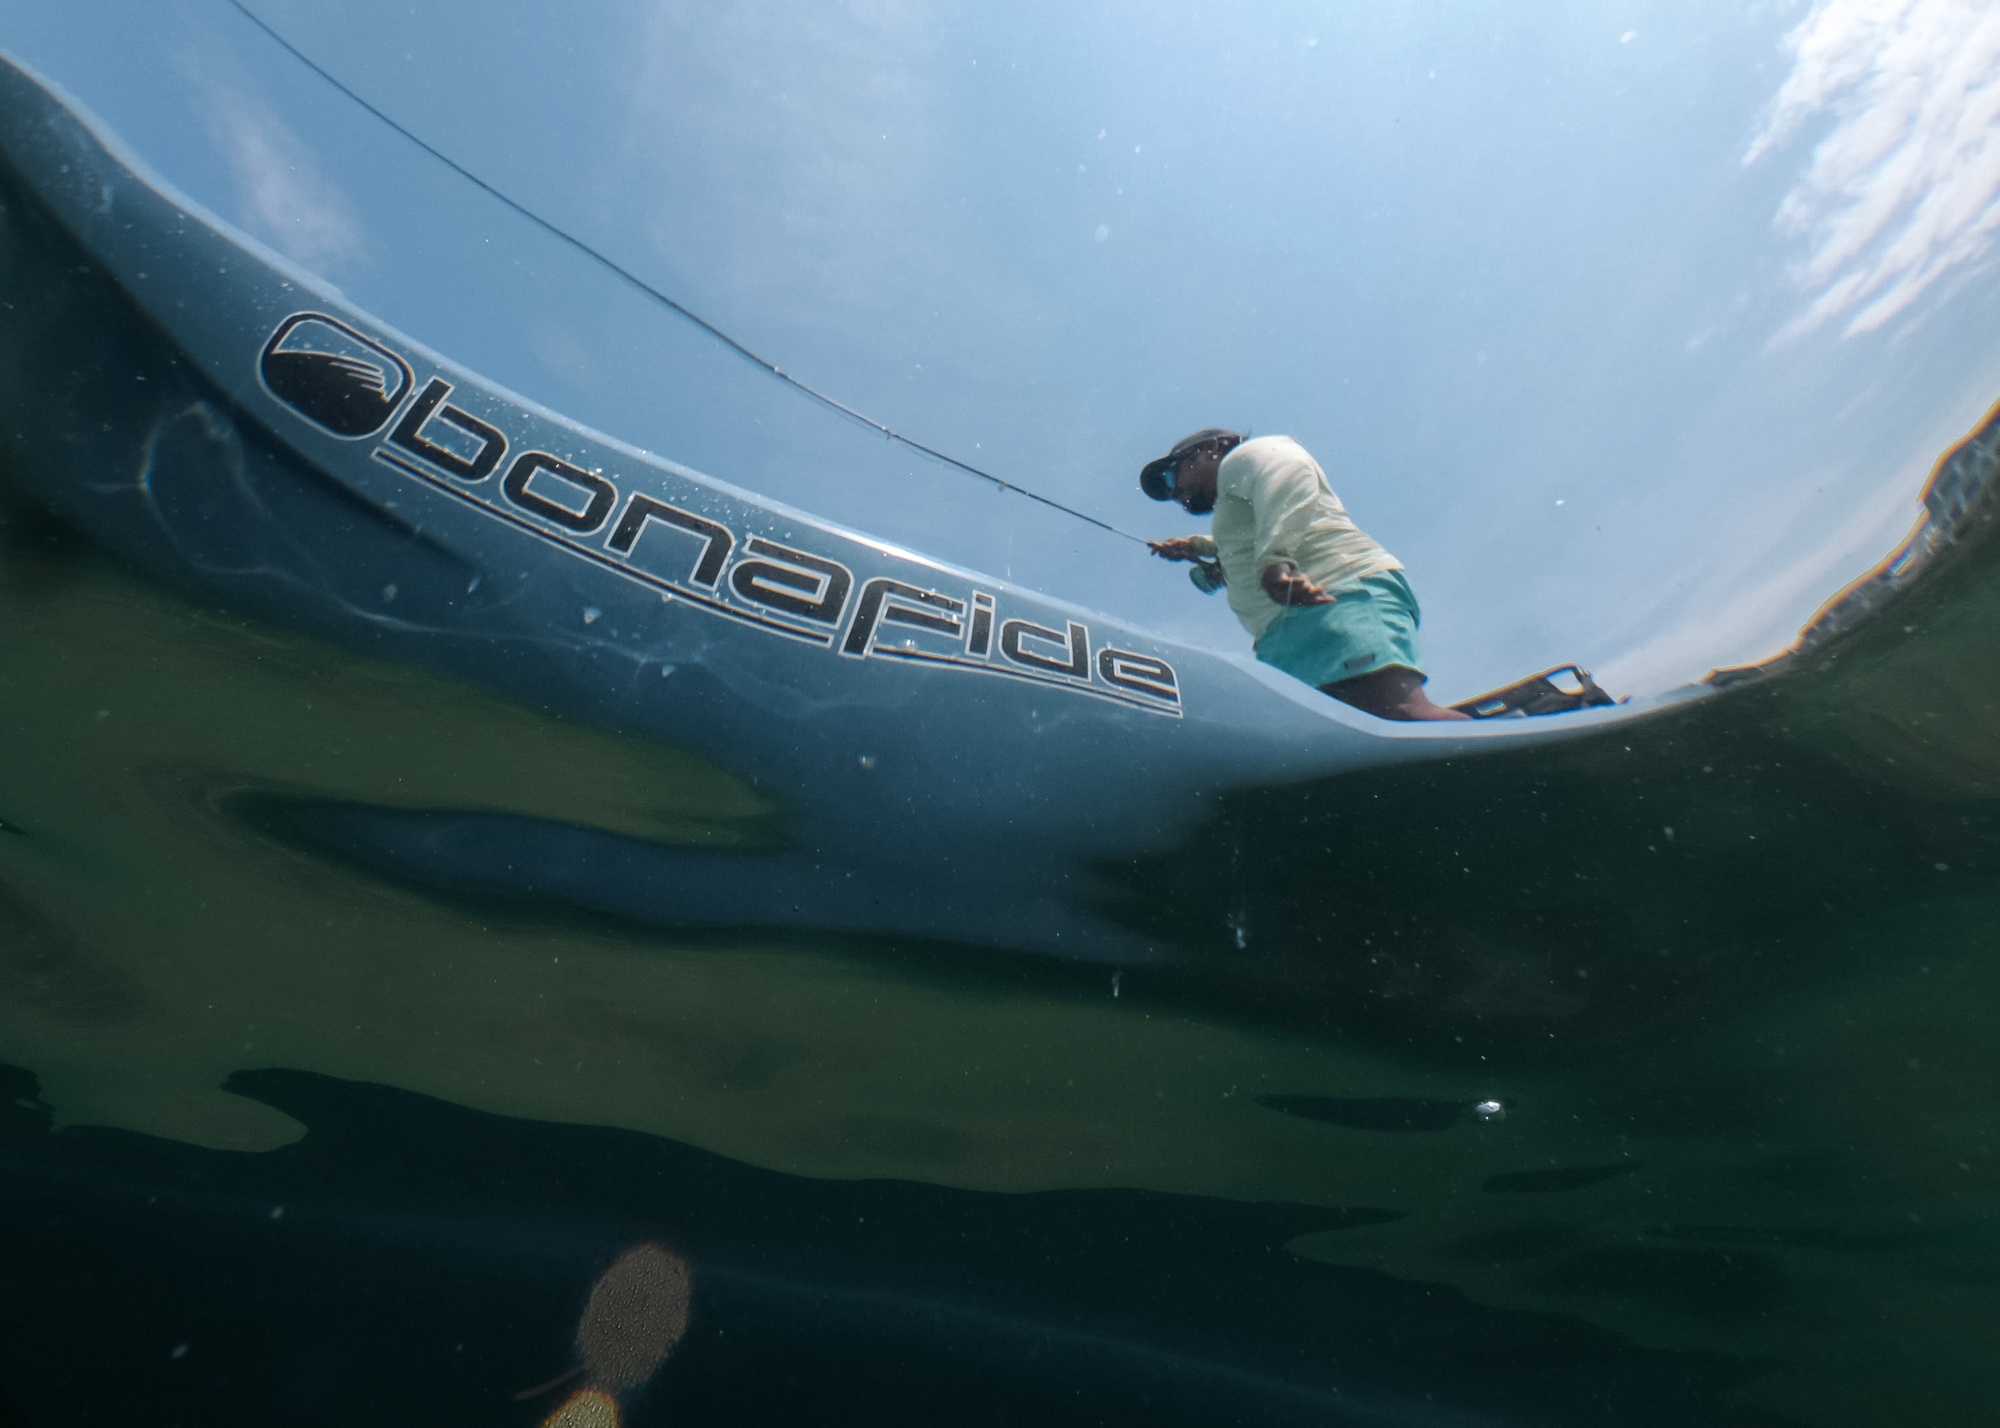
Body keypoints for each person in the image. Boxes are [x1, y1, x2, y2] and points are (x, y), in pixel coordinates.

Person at [1140, 428, 1468, 721]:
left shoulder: (1250, 455)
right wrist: (1196, 547)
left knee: (1394, 713)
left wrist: (1275, 561)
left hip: (1337, 595)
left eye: (1171, 477)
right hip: (1282, 635)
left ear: (1210, 448)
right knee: (1333, 736)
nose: (1174, 493)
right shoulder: (1233, 496)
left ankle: (1491, 758)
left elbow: (1287, 479)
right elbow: (1240, 543)